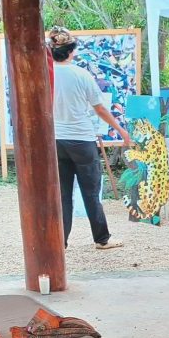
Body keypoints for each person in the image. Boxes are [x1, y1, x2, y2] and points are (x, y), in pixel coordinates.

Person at [47, 26, 130, 249]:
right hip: (81, 139)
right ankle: (101, 238)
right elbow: (100, 109)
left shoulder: (46, 75)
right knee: (91, 192)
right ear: (72, 51)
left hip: (56, 140)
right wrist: (120, 129)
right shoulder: (81, 75)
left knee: (62, 194)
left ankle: (60, 241)